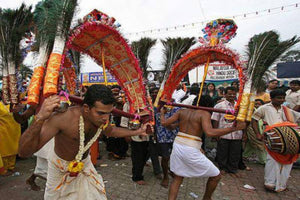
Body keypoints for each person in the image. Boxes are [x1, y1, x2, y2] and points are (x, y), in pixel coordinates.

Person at [19, 84, 151, 199]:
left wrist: (138, 132)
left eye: (109, 113)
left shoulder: (101, 120)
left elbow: (110, 131)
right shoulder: (64, 118)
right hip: (60, 169)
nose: (106, 119)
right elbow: (24, 152)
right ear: (87, 108)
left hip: (85, 165)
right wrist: (40, 118)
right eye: (101, 113)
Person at [160, 97, 246, 200]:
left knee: (178, 177)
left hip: (178, 145)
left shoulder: (182, 111)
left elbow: (165, 124)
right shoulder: (204, 114)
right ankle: (206, 198)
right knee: (216, 175)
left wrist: (162, 113)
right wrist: (234, 128)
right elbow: (209, 132)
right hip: (189, 148)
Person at [252, 89, 300, 192]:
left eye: (283, 98)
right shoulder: (264, 108)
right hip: (273, 138)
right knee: (272, 160)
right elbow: (254, 119)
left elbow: (297, 118)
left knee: (287, 161)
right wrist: (258, 134)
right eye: (278, 98)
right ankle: (269, 183)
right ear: (272, 98)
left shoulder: (286, 109)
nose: (281, 100)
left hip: (287, 140)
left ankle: (282, 184)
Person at [211, 87, 244, 177]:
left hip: (237, 134)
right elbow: (215, 119)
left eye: (234, 94)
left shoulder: (240, 105)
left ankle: (232, 170)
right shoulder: (219, 105)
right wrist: (216, 132)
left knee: (235, 153)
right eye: (230, 94)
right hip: (223, 133)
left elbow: (243, 120)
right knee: (222, 152)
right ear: (225, 94)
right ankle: (222, 168)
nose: (232, 96)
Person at [155, 103, 180, 188]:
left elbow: (182, 120)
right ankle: (165, 176)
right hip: (163, 137)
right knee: (165, 157)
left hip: (175, 136)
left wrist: (175, 125)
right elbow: (162, 124)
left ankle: (172, 170)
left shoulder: (177, 109)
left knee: (175, 156)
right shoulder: (157, 109)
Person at [0, 95, 21, 176]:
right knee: (5, 149)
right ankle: (4, 169)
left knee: (14, 148)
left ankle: (11, 166)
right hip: (4, 131)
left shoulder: (13, 104)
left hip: (15, 130)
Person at [243, 99, 266, 165]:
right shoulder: (252, 110)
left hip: (260, 128)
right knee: (259, 144)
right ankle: (264, 160)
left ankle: (245, 155)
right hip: (252, 129)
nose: (257, 105)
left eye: (259, 104)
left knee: (250, 144)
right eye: (256, 104)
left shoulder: (262, 110)